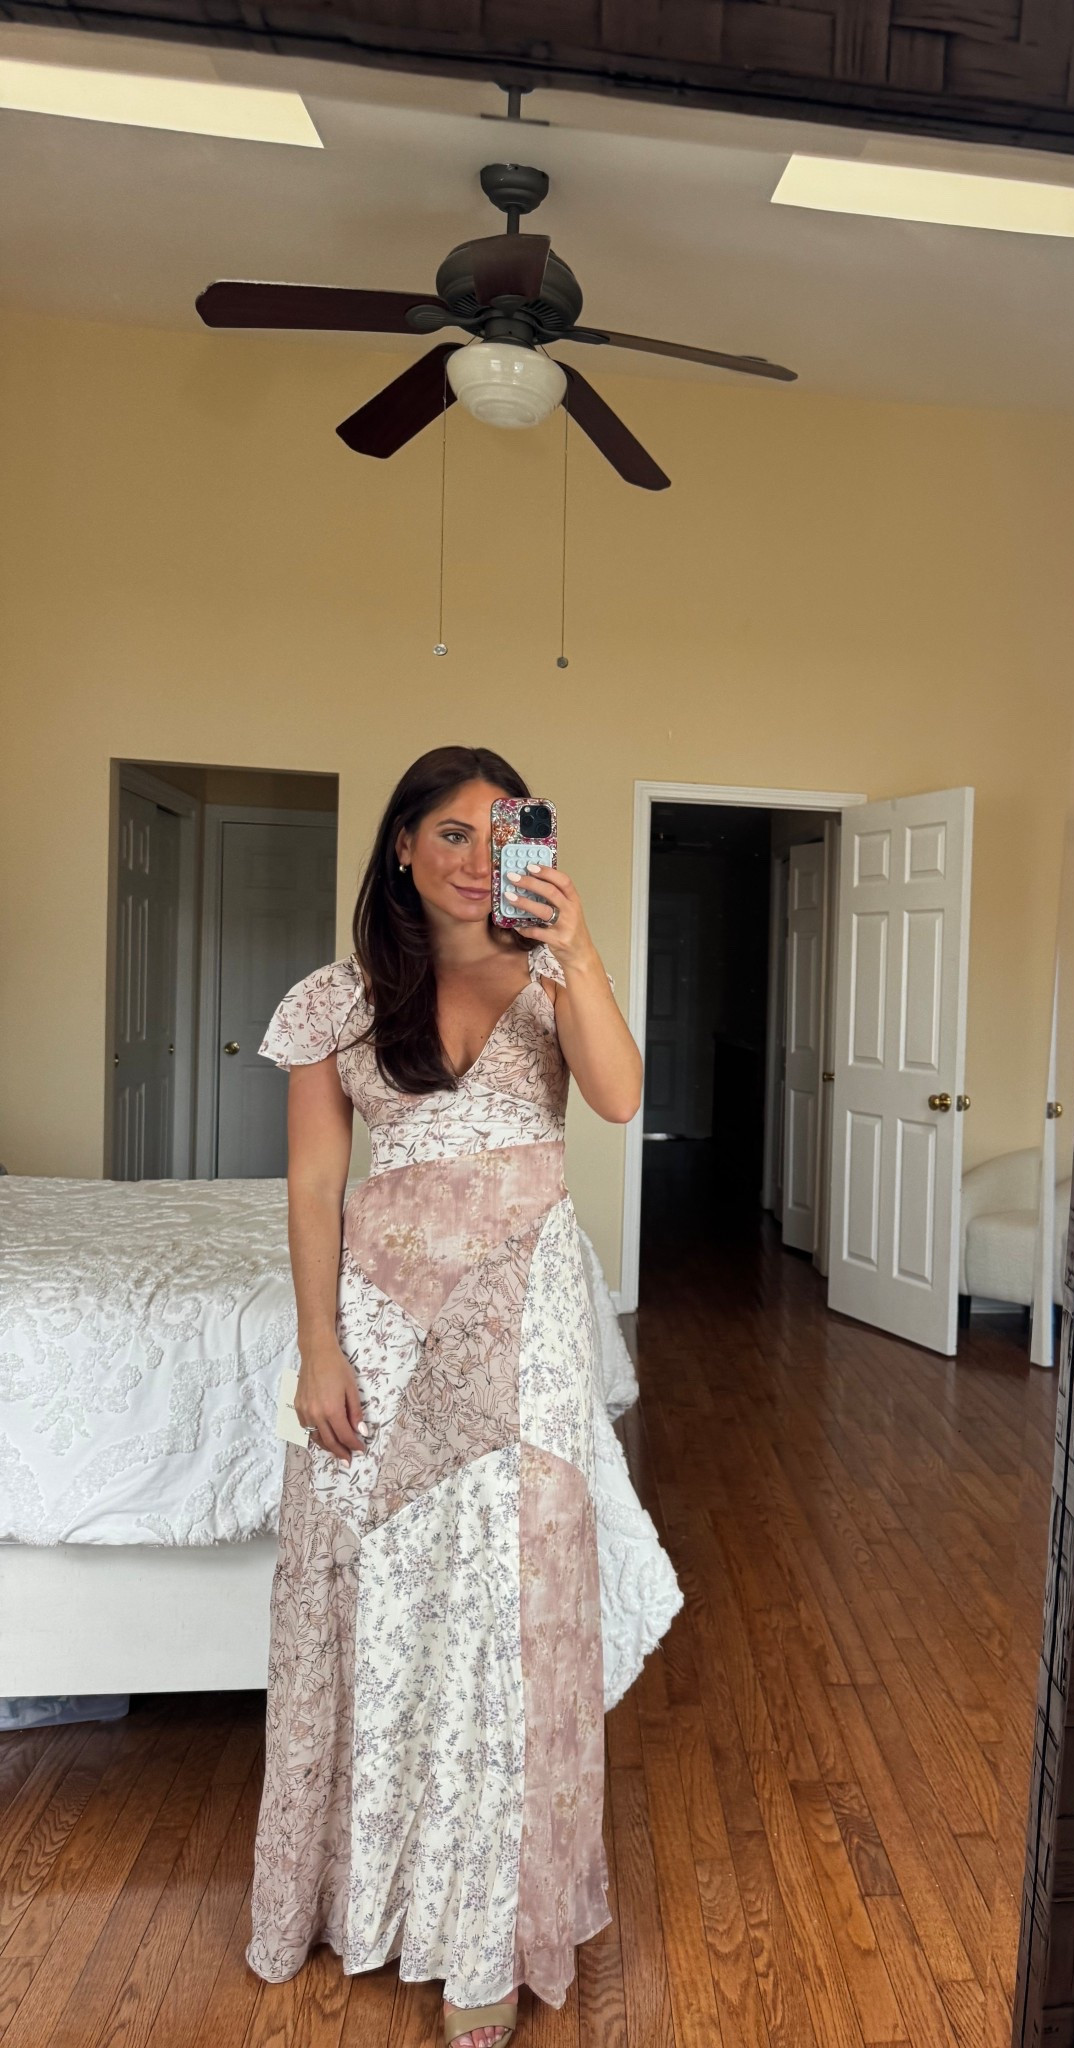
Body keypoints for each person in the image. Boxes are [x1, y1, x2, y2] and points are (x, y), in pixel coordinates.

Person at [246, 745, 673, 2048]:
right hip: (381, 1320)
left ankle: (485, 1935)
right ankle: (365, 1891)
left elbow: (620, 1098)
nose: (479, 859)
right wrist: (319, 1347)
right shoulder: (335, 1000)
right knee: (379, 1606)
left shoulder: (551, 973)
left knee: (510, 1615)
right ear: (401, 845)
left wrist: (577, 947)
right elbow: (315, 1186)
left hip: (526, 1320)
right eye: (450, 833)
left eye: (503, 833)